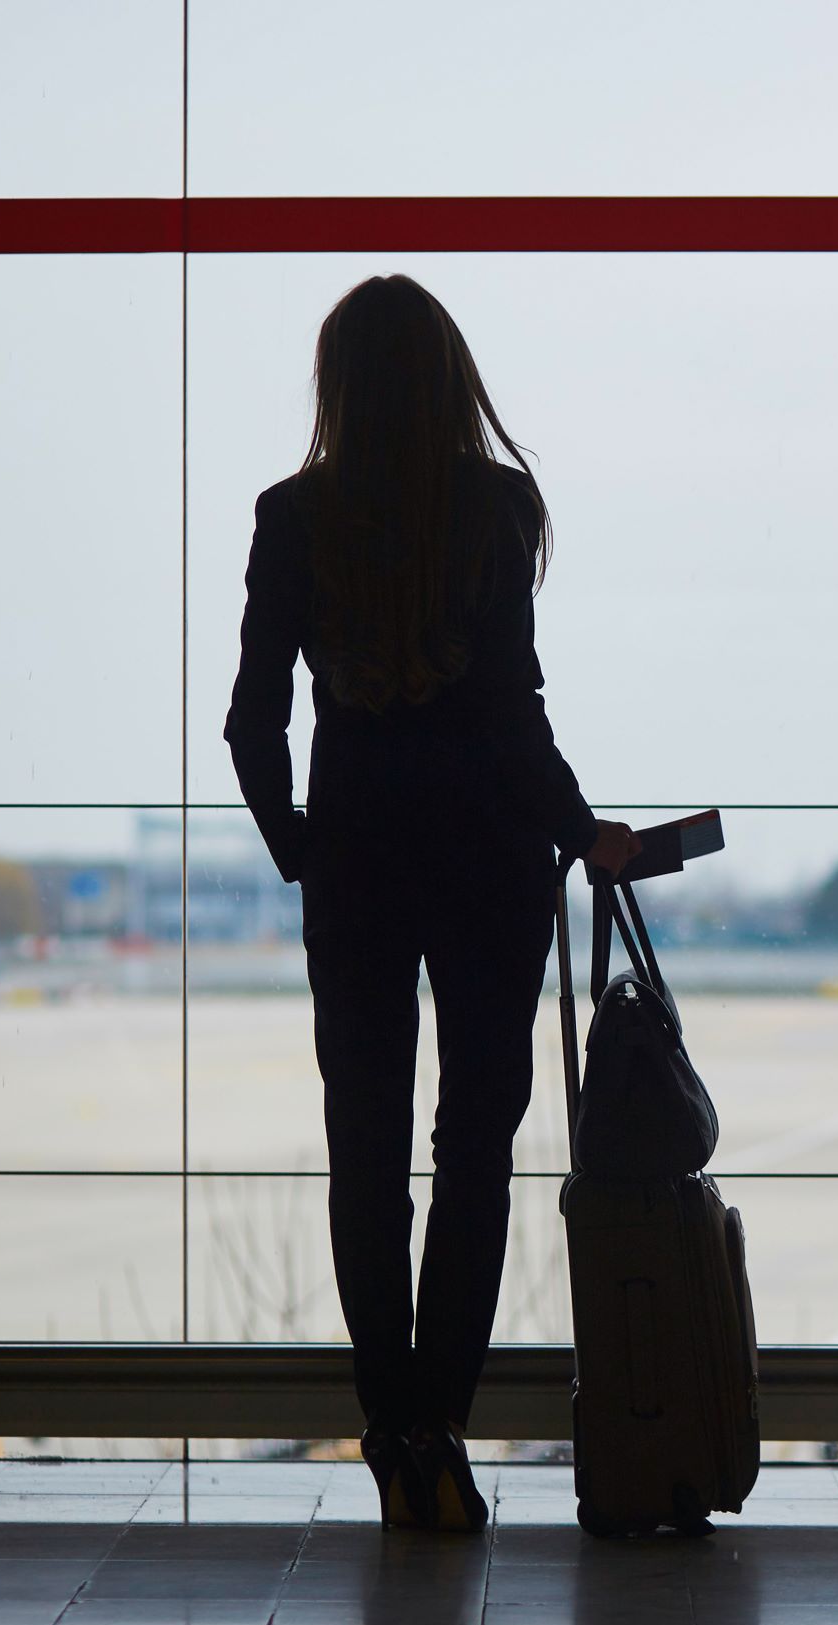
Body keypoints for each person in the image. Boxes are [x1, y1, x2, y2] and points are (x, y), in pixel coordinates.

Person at [225, 274, 640, 1531]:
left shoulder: (292, 516)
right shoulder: (497, 507)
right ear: (450, 373)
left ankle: (389, 1423)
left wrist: (303, 847)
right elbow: (515, 714)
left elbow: (253, 721)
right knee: (475, 1151)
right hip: (488, 868)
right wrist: (581, 832)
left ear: (336, 382)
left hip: (358, 866)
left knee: (367, 1150)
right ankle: (438, 1426)